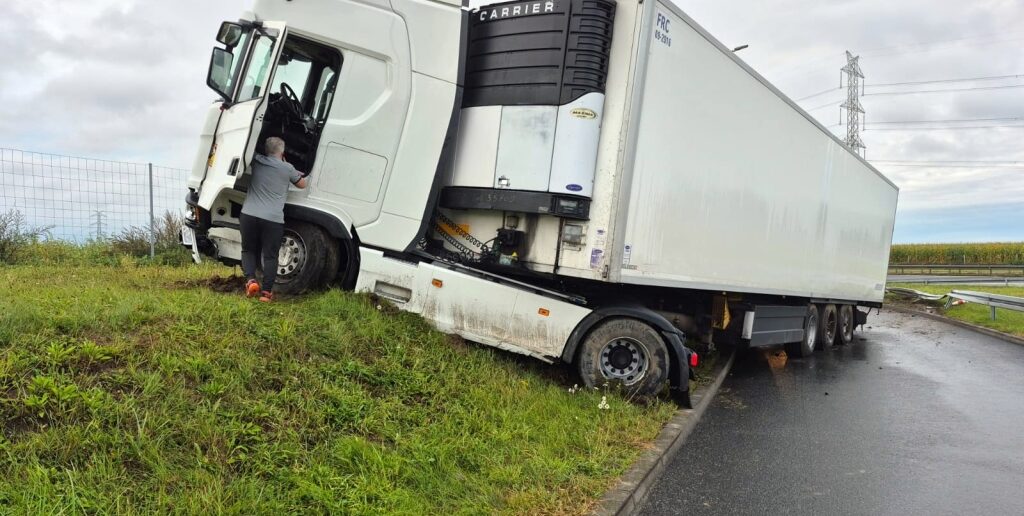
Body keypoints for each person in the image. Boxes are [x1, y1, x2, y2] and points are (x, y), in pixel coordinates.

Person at [241, 136, 308, 303]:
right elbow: (302, 184)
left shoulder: (257, 160)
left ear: (266, 149)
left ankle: (250, 281)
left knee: (248, 250)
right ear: (282, 152)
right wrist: (290, 170)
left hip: (249, 214)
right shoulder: (288, 168)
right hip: (273, 220)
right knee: (270, 256)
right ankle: (266, 294)